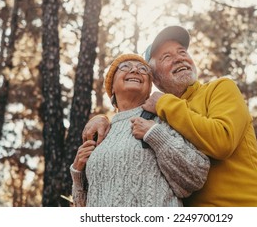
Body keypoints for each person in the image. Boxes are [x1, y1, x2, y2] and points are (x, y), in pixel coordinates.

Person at [83, 26, 257, 207]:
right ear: (156, 80)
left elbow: (222, 141)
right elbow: (126, 120)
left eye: (182, 52)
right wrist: (103, 119)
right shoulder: (157, 116)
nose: (179, 58)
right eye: (166, 57)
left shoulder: (220, 88)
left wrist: (163, 103)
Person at [71, 53, 210, 207]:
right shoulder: (101, 133)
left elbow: (196, 176)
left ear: (149, 87)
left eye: (143, 69)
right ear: (111, 86)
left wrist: (156, 135)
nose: (135, 70)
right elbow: (83, 207)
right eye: (125, 67)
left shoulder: (161, 120)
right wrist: (77, 174)